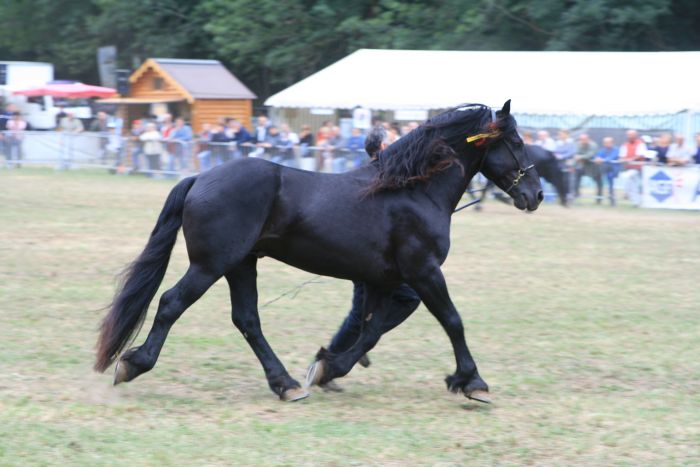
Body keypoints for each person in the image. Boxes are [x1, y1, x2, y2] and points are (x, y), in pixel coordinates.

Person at [317, 124, 422, 392]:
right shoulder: (382, 176)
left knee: (361, 313)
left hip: (370, 256)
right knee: (406, 298)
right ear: (385, 148)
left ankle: (336, 359)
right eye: (395, 140)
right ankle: (350, 350)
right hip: (371, 258)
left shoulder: (381, 173)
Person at [618, 129, 648, 205]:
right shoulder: (625, 145)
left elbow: (640, 155)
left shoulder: (640, 144)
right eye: (628, 135)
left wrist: (630, 159)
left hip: (638, 168)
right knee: (630, 183)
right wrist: (623, 160)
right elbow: (621, 156)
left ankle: (638, 200)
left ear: (635, 136)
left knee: (629, 179)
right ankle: (636, 201)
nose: (630, 136)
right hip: (628, 168)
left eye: (631, 135)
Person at [593, 137, 620, 206]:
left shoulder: (616, 149)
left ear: (612, 143)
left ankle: (612, 200)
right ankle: (599, 199)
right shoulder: (603, 150)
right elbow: (598, 156)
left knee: (611, 185)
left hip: (613, 170)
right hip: (604, 170)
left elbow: (612, 157)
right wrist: (597, 158)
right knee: (600, 182)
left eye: (608, 142)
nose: (606, 144)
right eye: (605, 143)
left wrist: (603, 160)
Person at [573, 133, 599, 199]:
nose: (583, 141)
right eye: (581, 139)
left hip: (593, 167)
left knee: (599, 182)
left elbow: (591, 154)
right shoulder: (578, 145)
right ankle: (576, 194)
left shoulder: (593, 145)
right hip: (581, 166)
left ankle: (599, 198)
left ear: (588, 139)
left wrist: (581, 157)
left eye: (584, 139)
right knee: (575, 178)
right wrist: (581, 157)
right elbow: (575, 154)